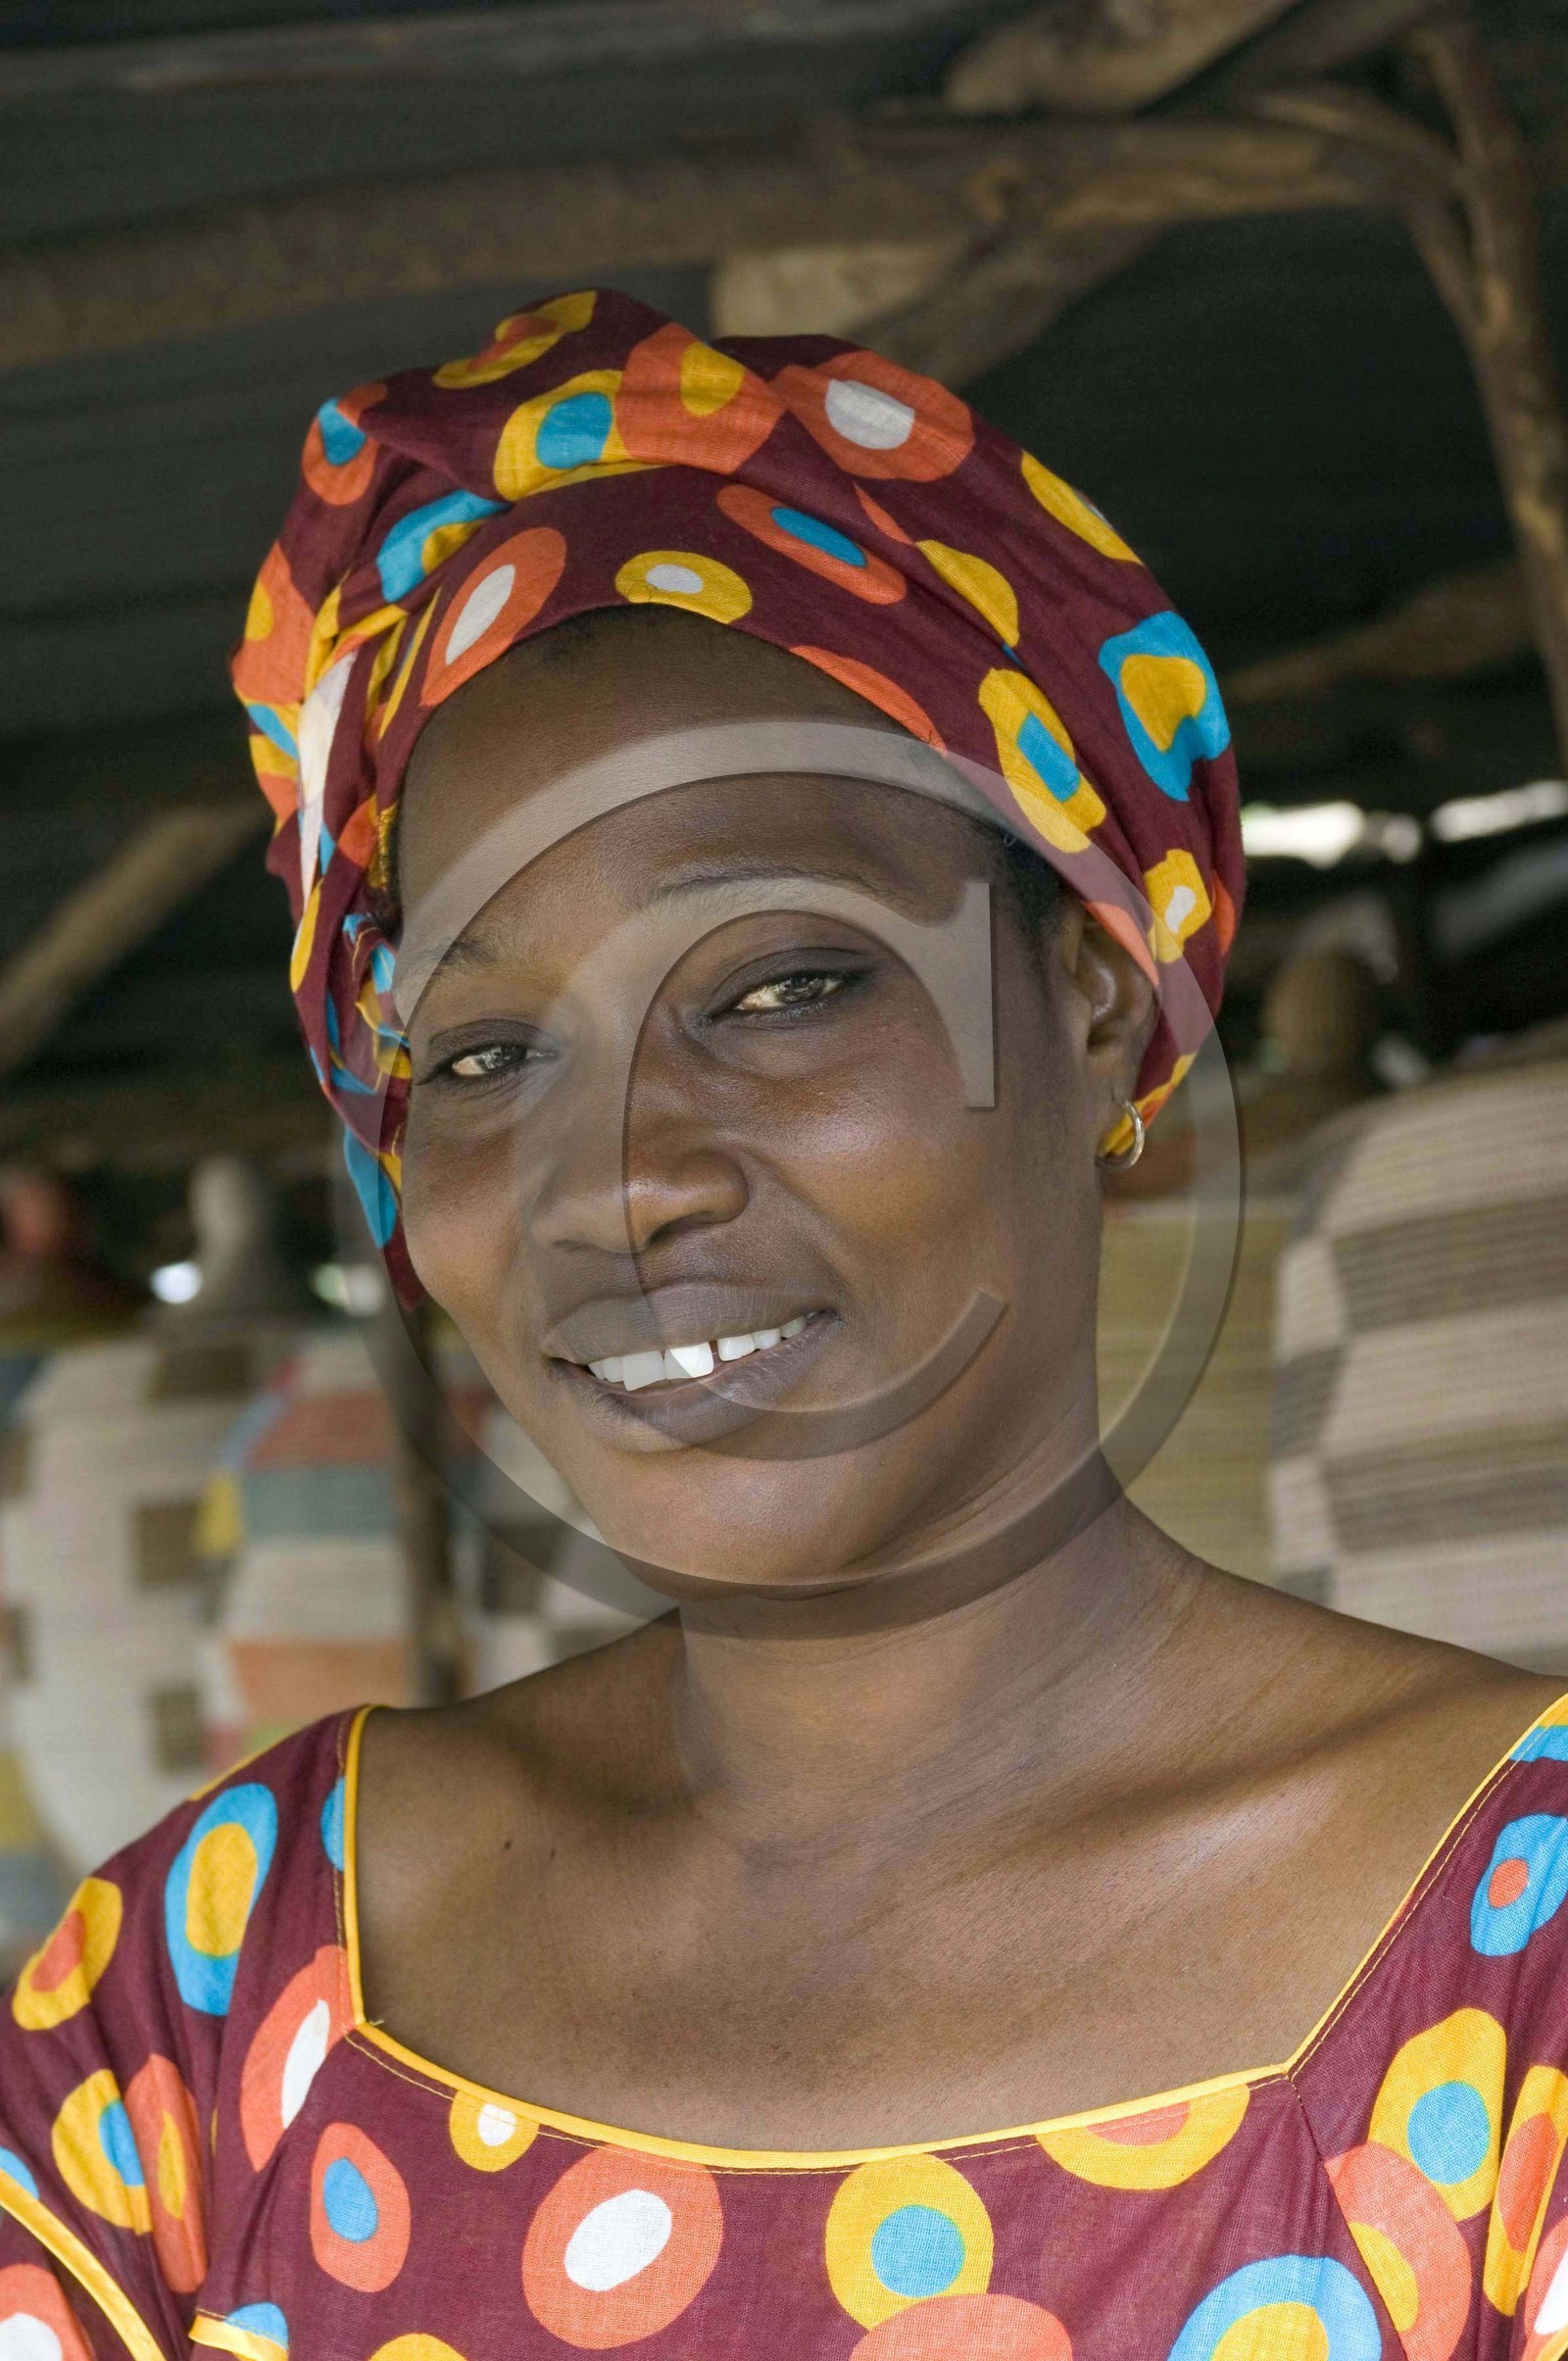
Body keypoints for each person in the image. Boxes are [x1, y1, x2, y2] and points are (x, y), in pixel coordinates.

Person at [2, 291, 1564, 2361]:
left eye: (774, 986)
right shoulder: (224, 1978)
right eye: (474, 1056)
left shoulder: (1514, 1968)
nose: (614, 1176)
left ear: (1095, 998)